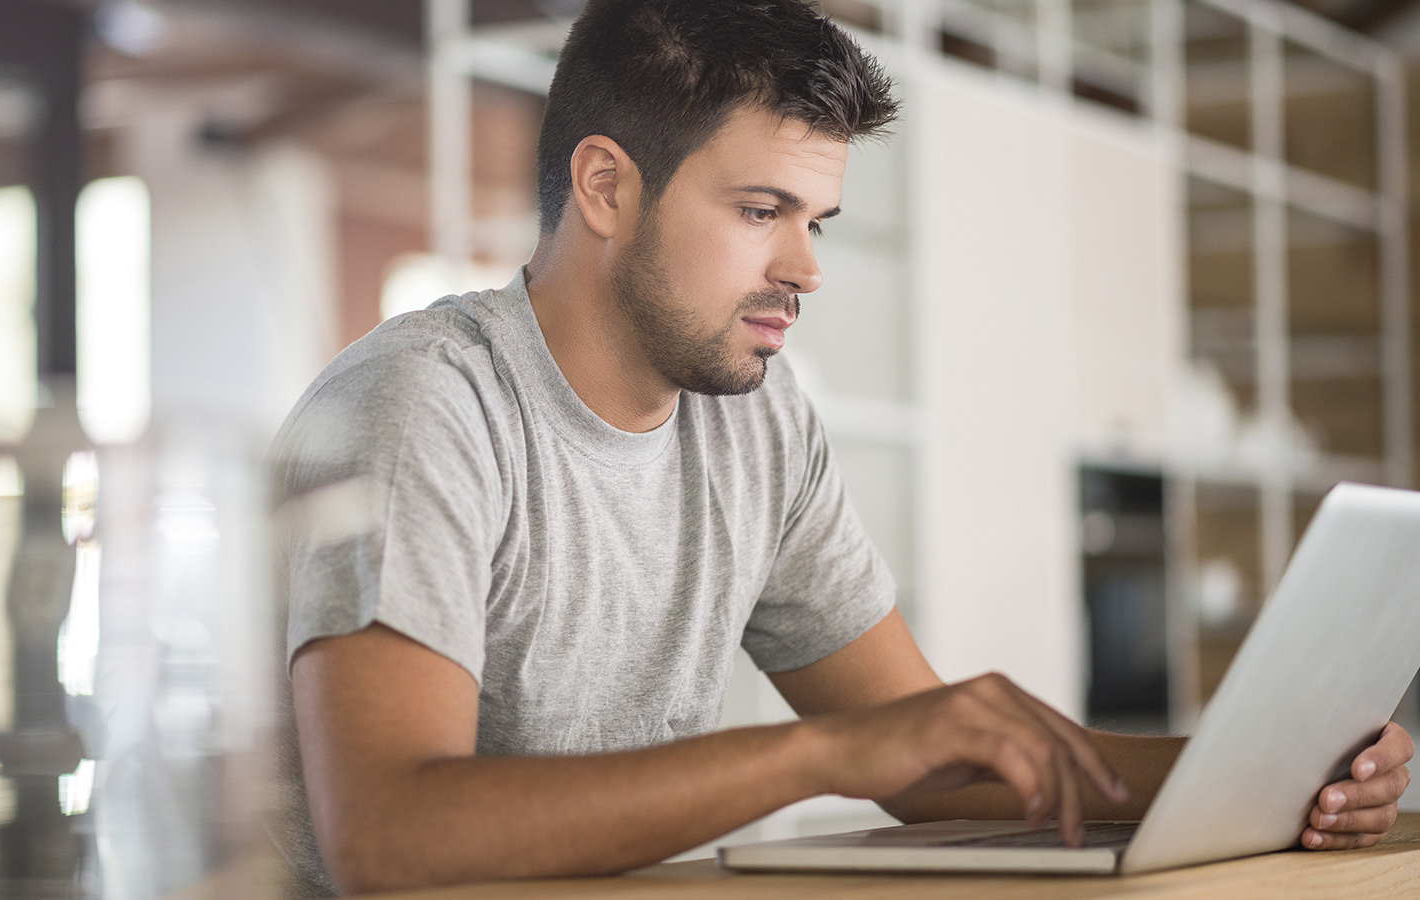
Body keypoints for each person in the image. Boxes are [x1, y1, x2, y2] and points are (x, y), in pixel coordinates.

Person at [269, 0, 1414, 894]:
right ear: (607, 186)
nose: (806, 270)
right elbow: (387, 837)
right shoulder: (426, 403)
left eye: (815, 223)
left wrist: (1274, 781)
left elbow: (933, 759)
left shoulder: (756, 419)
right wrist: (825, 755)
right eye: (761, 211)